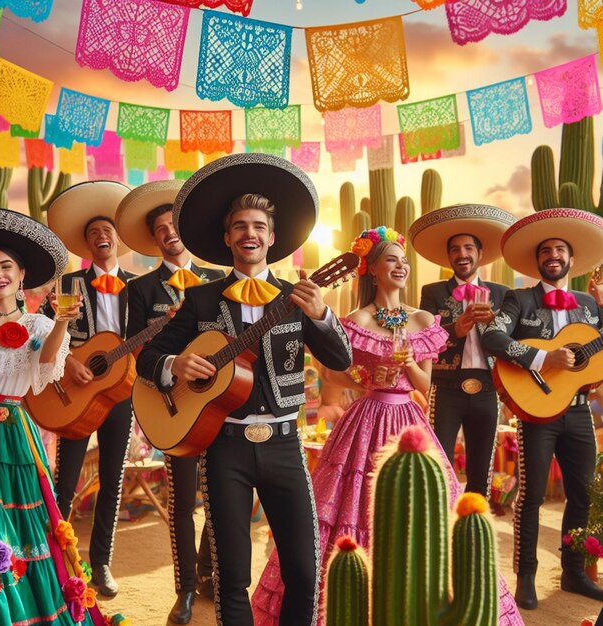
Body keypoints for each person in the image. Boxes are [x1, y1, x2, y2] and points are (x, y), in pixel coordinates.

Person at [252, 226, 524, 626]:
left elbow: (429, 385)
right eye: (391, 259)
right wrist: (365, 379)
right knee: (353, 507)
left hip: (410, 423)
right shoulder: (356, 319)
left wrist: (407, 363)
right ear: (372, 269)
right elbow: (330, 373)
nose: (401, 266)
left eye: (404, 260)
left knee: (423, 510)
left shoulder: (424, 318)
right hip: (366, 419)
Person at [136, 153, 353, 626]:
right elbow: (146, 360)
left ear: (273, 238)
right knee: (230, 575)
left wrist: (322, 315)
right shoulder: (200, 298)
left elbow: (342, 360)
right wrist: (176, 363)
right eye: (239, 226)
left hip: (283, 444)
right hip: (223, 445)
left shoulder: (297, 298)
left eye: (258, 225)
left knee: (303, 566)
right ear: (227, 238)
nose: (249, 234)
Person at [0, 207, 103, 625]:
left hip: (13, 432)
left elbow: (46, 364)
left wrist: (62, 324)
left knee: (17, 519)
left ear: (21, 274)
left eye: (6, 266)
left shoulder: (36, 324)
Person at [481, 208, 603, 610]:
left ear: (571, 259)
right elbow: (493, 336)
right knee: (531, 495)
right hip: (537, 413)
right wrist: (540, 359)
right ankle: (526, 577)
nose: (553, 255)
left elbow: (595, 353)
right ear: (539, 260)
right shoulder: (520, 298)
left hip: (580, 412)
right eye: (546, 250)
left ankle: (574, 571)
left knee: (583, 495)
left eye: (560, 249)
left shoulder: (588, 303)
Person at [116, 180, 224, 624]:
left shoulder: (221, 279)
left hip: (219, 403)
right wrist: (171, 366)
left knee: (222, 494)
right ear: (154, 239)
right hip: (172, 405)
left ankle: (208, 572)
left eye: (172, 224)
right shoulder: (139, 290)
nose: (168, 233)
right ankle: (182, 590)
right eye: (159, 229)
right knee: (181, 499)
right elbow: (138, 355)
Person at [43, 180, 134, 598]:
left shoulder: (141, 287)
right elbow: (43, 339)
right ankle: (58, 559)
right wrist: (71, 363)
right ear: (87, 243)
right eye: (94, 232)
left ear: (119, 239)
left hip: (121, 396)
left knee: (113, 480)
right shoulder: (65, 287)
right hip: (74, 397)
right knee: (66, 479)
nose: (102, 236)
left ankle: (101, 563)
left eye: (108, 230)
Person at [409, 204, 516, 496]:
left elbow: (511, 342)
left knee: (481, 469)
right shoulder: (433, 292)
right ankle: (442, 528)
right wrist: (456, 329)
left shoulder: (503, 293)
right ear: (449, 257)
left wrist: (496, 326)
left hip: (488, 389)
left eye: (468, 248)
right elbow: (423, 339)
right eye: (455, 249)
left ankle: (474, 528)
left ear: (480, 254)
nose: (462, 254)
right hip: (446, 388)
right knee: (439, 464)